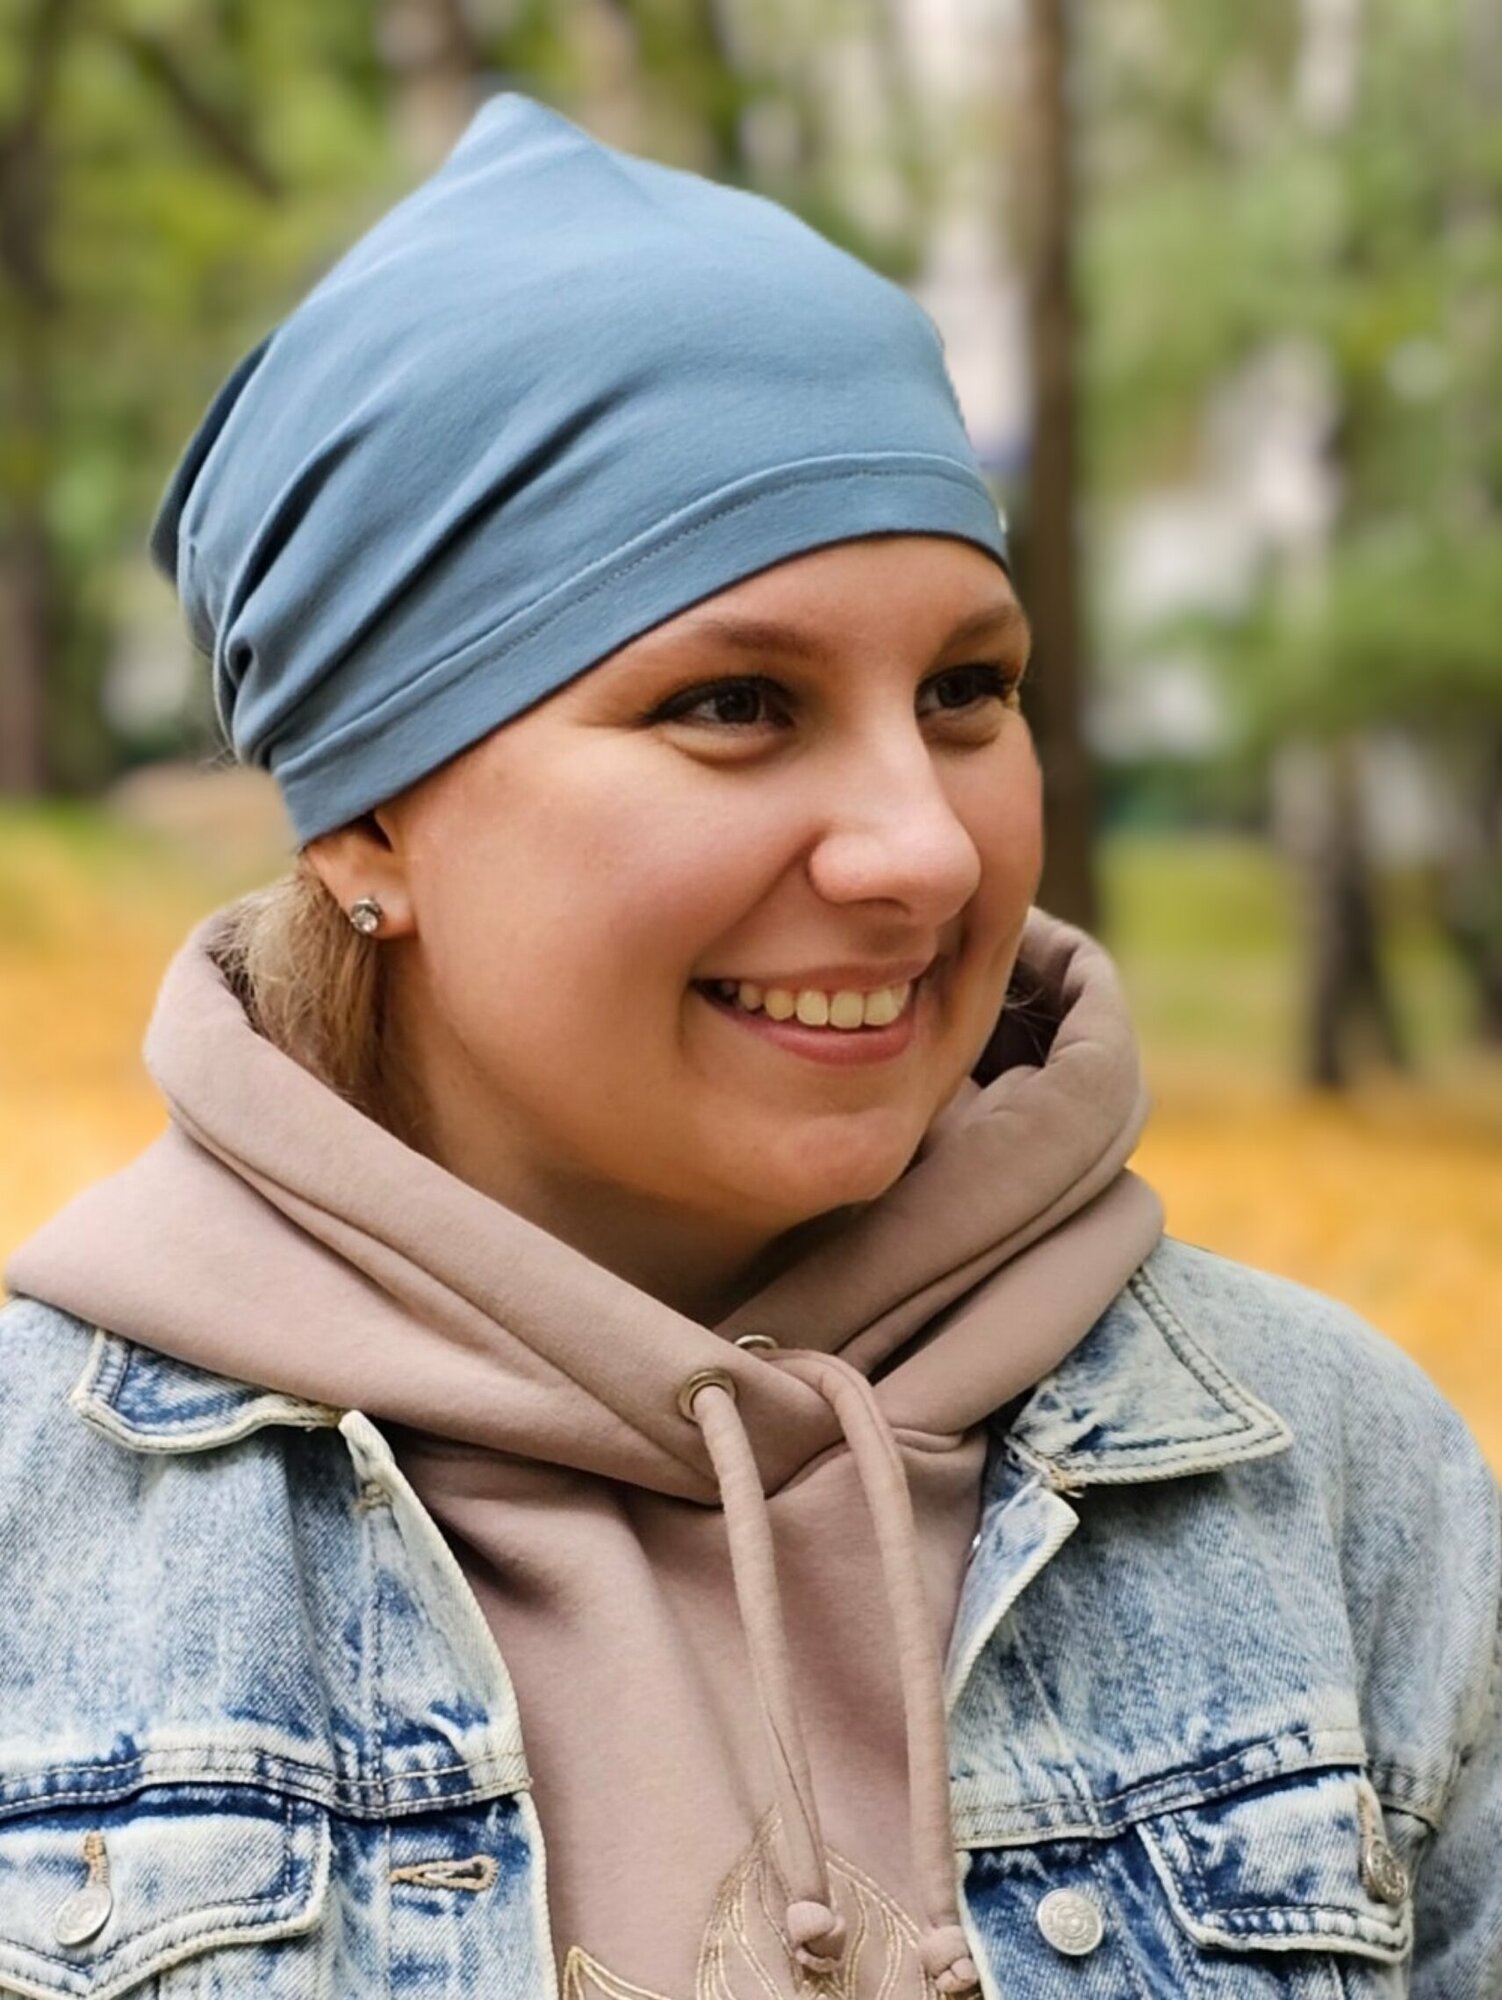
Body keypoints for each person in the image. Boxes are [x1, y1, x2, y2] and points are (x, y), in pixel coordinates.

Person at [1, 92, 1497, 2000]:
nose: (924, 850)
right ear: (368, 826)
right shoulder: (38, 1538)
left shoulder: (1329, 1473)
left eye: (966, 689)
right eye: (732, 703)